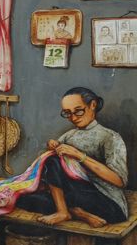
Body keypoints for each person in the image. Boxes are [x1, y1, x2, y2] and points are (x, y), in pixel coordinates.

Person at [16, 87, 128, 227]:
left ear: (92, 105)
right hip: (75, 196)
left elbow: (119, 181)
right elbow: (53, 169)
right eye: (67, 113)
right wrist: (53, 147)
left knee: (53, 162)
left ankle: (64, 211)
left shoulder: (110, 137)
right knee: (23, 199)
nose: (73, 118)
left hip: (107, 201)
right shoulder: (69, 135)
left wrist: (79, 155)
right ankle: (78, 213)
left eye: (78, 111)